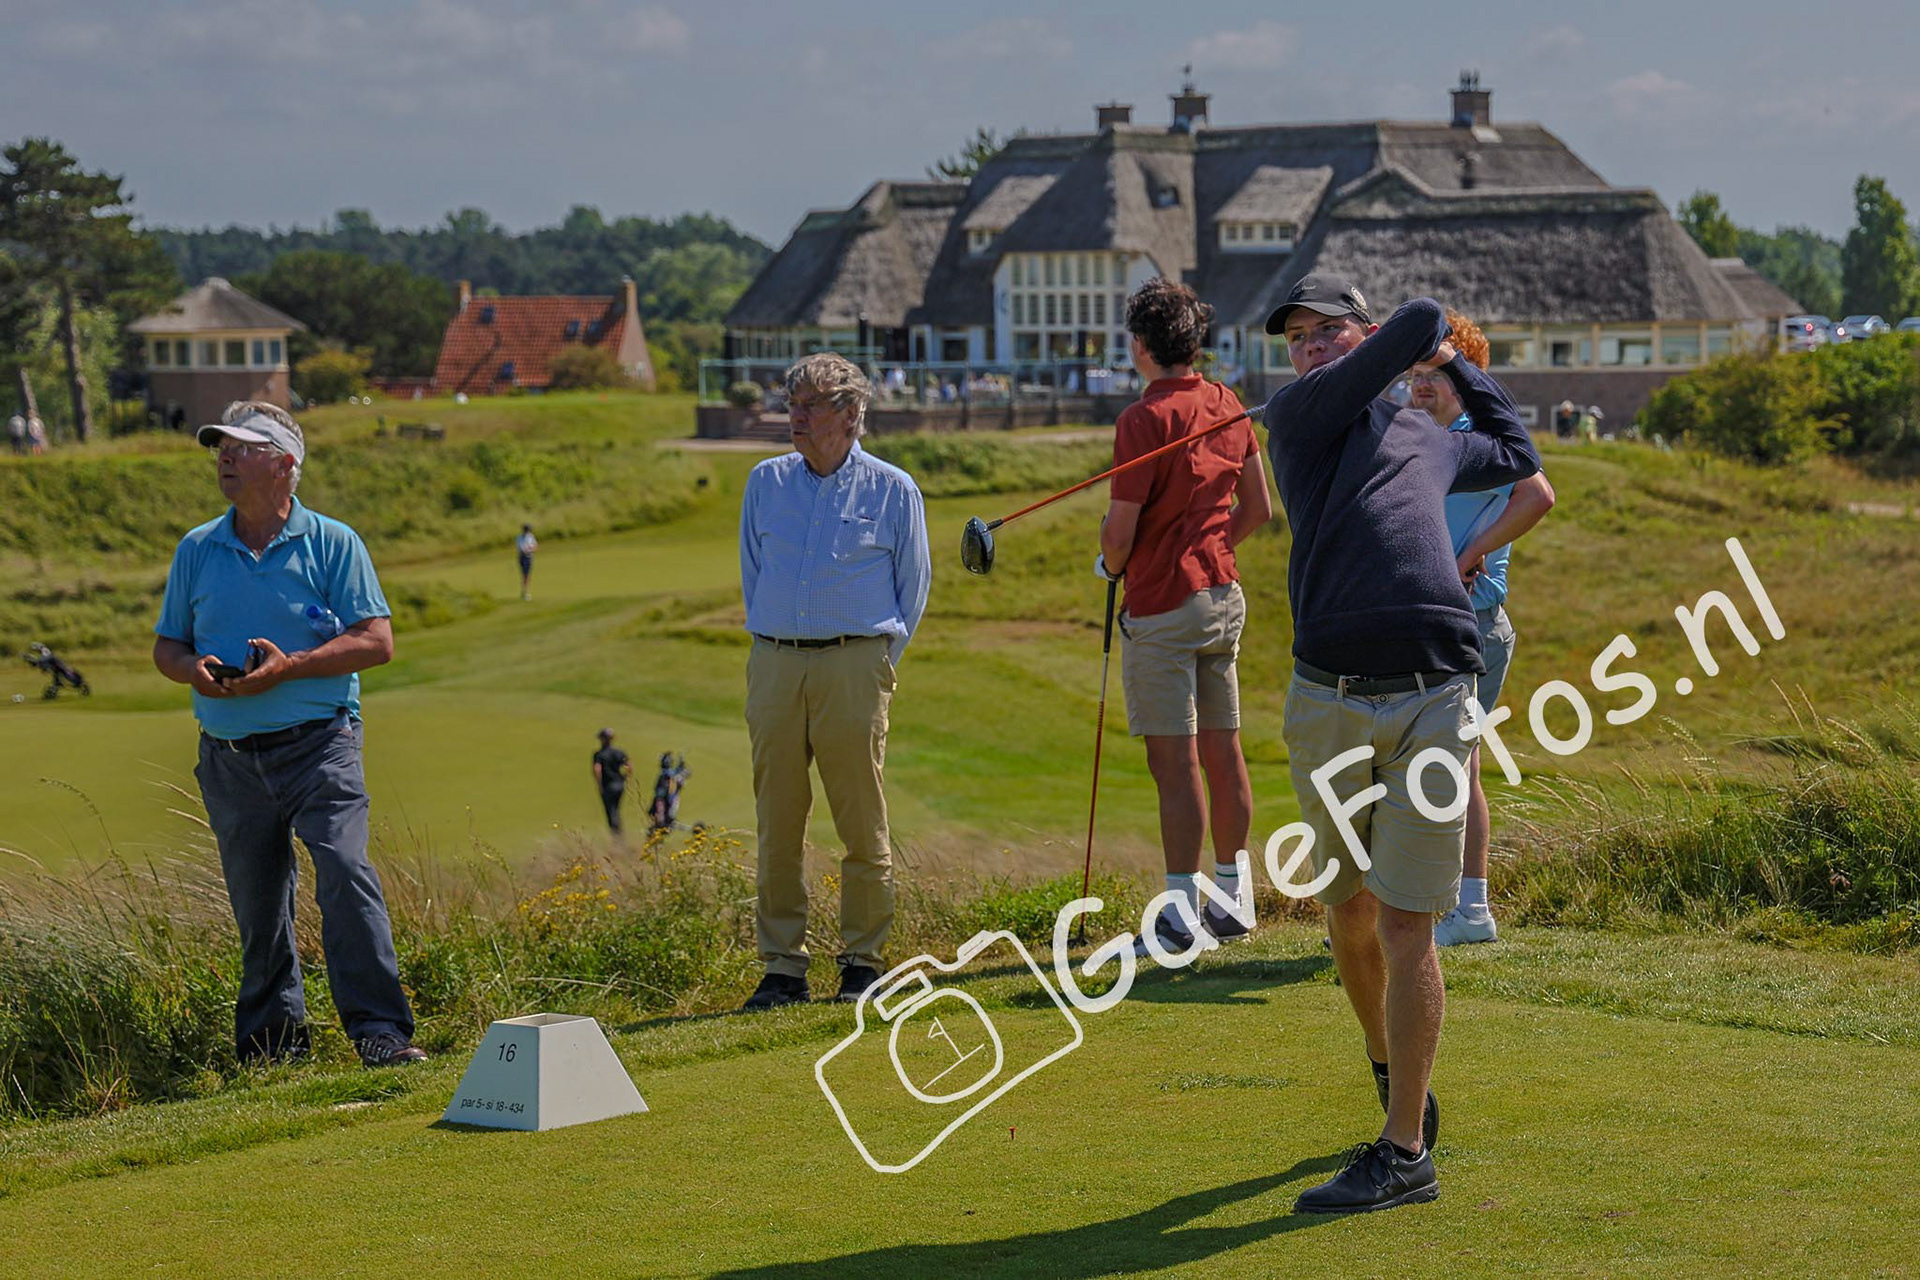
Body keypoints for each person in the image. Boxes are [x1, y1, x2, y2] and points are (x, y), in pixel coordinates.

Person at [1262, 276, 1540, 1213]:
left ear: (1364, 332)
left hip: (1434, 689)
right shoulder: (1298, 420)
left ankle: (1404, 1148)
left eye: (1324, 331)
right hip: (1329, 696)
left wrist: (1451, 360)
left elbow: (1515, 452)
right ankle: (1392, 1072)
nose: (1306, 348)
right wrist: (1410, 343)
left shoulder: (1426, 435)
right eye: (1294, 338)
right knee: (1346, 910)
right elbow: (1417, 321)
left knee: (1407, 919)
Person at [151, 400, 426, 1069]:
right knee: (258, 905)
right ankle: (273, 1050)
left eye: (241, 448)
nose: (224, 457)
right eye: (220, 447)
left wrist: (291, 668)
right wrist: (197, 670)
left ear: (284, 465)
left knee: (345, 873)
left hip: (319, 745)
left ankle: (380, 1033)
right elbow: (168, 647)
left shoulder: (334, 542)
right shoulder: (197, 548)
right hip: (228, 756)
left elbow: (376, 640)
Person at [738, 352, 930, 1010]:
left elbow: (914, 590)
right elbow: (754, 573)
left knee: (862, 824)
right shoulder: (765, 482)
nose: (795, 414)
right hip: (774, 662)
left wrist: (875, 662)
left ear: (849, 416)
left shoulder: (893, 488)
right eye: (792, 401)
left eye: (811, 404)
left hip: (856, 663)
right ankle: (783, 969)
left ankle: (862, 962)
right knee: (778, 823)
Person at [1097, 278, 1272, 956]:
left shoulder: (1141, 421)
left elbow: (1119, 535)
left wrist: (1111, 566)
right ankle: (1232, 901)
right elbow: (1256, 510)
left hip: (1163, 606)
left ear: (1140, 347)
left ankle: (1178, 919)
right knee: (1222, 750)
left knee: (1175, 766)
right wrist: (1211, 548)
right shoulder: (1227, 403)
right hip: (1222, 598)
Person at [1406, 314, 1556, 947]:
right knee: (1442, 766)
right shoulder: (1424, 435)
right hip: (1441, 625)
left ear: (1467, 378)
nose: (1419, 388)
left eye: (1432, 376)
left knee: (1451, 768)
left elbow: (1539, 495)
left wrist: (1472, 556)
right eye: (1413, 376)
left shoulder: (1477, 435)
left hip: (1474, 625)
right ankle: (1453, 907)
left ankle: (1468, 910)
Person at [592, 728, 632, 834]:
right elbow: (629, 766)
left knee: (611, 811)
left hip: (608, 786)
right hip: (619, 784)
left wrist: (599, 785)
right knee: (616, 809)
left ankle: (617, 837)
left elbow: (597, 769)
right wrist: (625, 778)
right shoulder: (619, 752)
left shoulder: (599, 754)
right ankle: (618, 834)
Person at [649, 752, 690, 833]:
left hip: (664, 800)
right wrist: (680, 766)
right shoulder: (667, 774)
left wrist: (680, 766)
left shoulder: (667, 774)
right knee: (662, 822)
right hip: (663, 800)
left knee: (664, 822)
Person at [517, 524, 539, 601]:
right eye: (526, 530)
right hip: (523, 557)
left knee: (527, 575)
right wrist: (530, 548)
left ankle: (524, 592)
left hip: (529, 557)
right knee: (525, 575)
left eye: (528, 530)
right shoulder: (520, 537)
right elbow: (522, 549)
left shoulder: (531, 536)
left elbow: (536, 546)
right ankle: (525, 592)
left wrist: (530, 549)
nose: (527, 532)